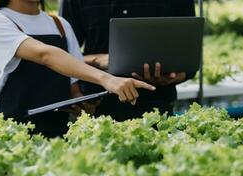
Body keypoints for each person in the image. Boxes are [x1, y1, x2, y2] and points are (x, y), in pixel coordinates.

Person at [0, 0, 155, 138]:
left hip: (58, 130)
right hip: (15, 127)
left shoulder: (60, 25)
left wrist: (82, 105)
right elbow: (45, 55)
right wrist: (108, 79)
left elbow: (74, 89)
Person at [59, 0, 196, 121]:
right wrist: (96, 60)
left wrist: (174, 76)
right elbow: (61, 56)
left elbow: (190, 56)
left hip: (158, 107)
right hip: (96, 107)